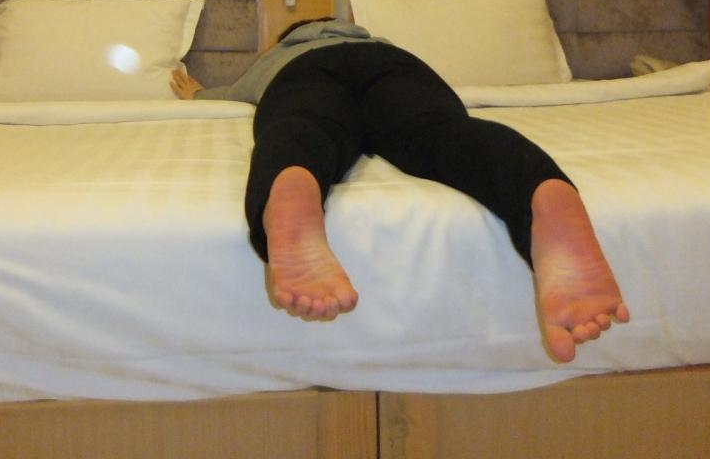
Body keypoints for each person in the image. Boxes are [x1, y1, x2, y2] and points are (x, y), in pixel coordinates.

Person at [171, 18, 629, 363]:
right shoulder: (381, 44)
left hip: (304, 75)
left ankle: (294, 181)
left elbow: (226, 94)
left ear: (285, 39)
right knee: (441, 133)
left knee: (303, 126)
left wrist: (197, 94)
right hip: (396, 71)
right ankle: (535, 188)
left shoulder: (279, 57)